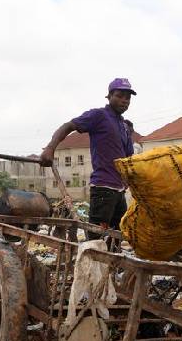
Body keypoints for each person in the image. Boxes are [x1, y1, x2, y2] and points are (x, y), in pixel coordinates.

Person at [39, 78, 135, 233]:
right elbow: (68, 126)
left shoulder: (123, 126)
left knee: (118, 235)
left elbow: (129, 157)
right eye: (120, 95)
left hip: (119, 190)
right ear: (109, 96)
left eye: (128, 98)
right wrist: (50, 148)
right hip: (103, 187)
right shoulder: (99, 116)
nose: (124, 100)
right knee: (95, 237)